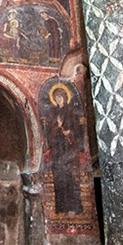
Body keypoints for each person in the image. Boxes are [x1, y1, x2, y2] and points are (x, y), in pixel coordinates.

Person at [44, 83, 83, 214]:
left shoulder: (71, 111)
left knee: (70, 176)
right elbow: (49, 131)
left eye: (61, 97)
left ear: (65, 97)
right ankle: (61, 207)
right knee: (59, 177)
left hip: (68, 149)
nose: (59, 100)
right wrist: (58, 128)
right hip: (57, 149)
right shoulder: (52, 113)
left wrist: (69, 132)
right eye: (57, 98)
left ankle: (74, 207)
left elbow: (77, 129)